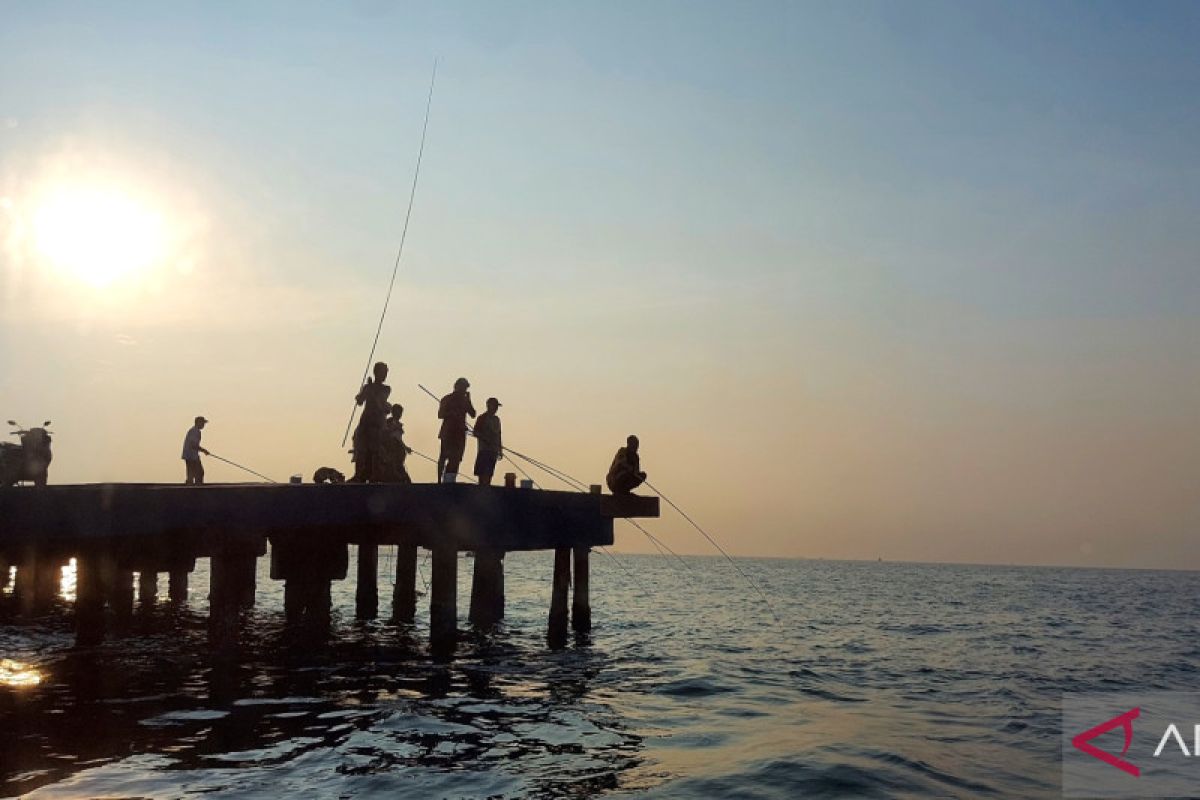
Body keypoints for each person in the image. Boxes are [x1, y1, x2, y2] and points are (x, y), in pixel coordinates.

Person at [350, 362, 391, 482]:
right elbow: (360, 402)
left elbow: (379, 402)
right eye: (383, 372)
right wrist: (361, 394)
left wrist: (370, 389)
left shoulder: (386, 388)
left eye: (386, 372)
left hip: (377, 424)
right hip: (365, 422)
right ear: (376, 372)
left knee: (375, 451)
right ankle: (359, 474)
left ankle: (374, 475)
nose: (385, 375)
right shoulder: (368, 387)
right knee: (360, 449)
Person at [437, 377, 476, 480]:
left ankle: (450, 479)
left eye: (465, 388)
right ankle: (439, 481)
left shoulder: (465, 400)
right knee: (443, 456)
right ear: (457, 387)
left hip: (459, 433)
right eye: (463, 387)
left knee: (456, 458)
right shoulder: (447, 399)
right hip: (448, 432)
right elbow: (440, 414)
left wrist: (469, 400)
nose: (464, 390)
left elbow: (473, 414)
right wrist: (450, 413)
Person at [472, 397, 503, 486]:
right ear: (489, 406)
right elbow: (475, 432)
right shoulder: (482, 418)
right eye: (495, 406)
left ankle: (486, 488)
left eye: (497, 406)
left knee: (490, 473)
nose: (496, 409)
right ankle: (482, 489)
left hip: (494, 451)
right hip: (484, 450)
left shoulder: (497, 419)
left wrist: (500, 450)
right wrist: (485, 438)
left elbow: (499, 435)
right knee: (482, 473)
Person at [380, 403, 413, 484]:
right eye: (397, 412)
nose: (399, 415)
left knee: (398, 468)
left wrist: (405, 448)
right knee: (395, 470)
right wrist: (405, 447)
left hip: (398, 452)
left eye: (400, 413)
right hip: (391, 451)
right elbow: (394, 437)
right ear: (393, 412)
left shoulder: (397, 424)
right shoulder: (389, 423)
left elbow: (398, 438)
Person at [182, 416, 210, 485]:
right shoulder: (195, 431)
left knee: (192, 474)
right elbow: (193, 445)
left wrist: (203, 451)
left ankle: (191, 486)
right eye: (203, 423)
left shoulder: (194, 430)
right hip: (191, 456)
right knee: (199, 472)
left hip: (190, 455)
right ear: (198, 423)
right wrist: (204, 450)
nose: (204, 425)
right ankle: (197, 488)